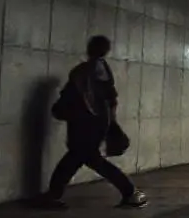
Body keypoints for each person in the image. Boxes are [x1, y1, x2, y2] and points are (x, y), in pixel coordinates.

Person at [37, 35, 147, 209]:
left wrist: (63, 109)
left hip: (82, 124)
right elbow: (111, 100)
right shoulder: (104, 71)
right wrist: (111, 122)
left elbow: (72, 96)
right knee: (82, 159)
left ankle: (130, 192)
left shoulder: (83, 71)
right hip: (98, 123)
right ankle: (130, 193)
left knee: (81, 159)